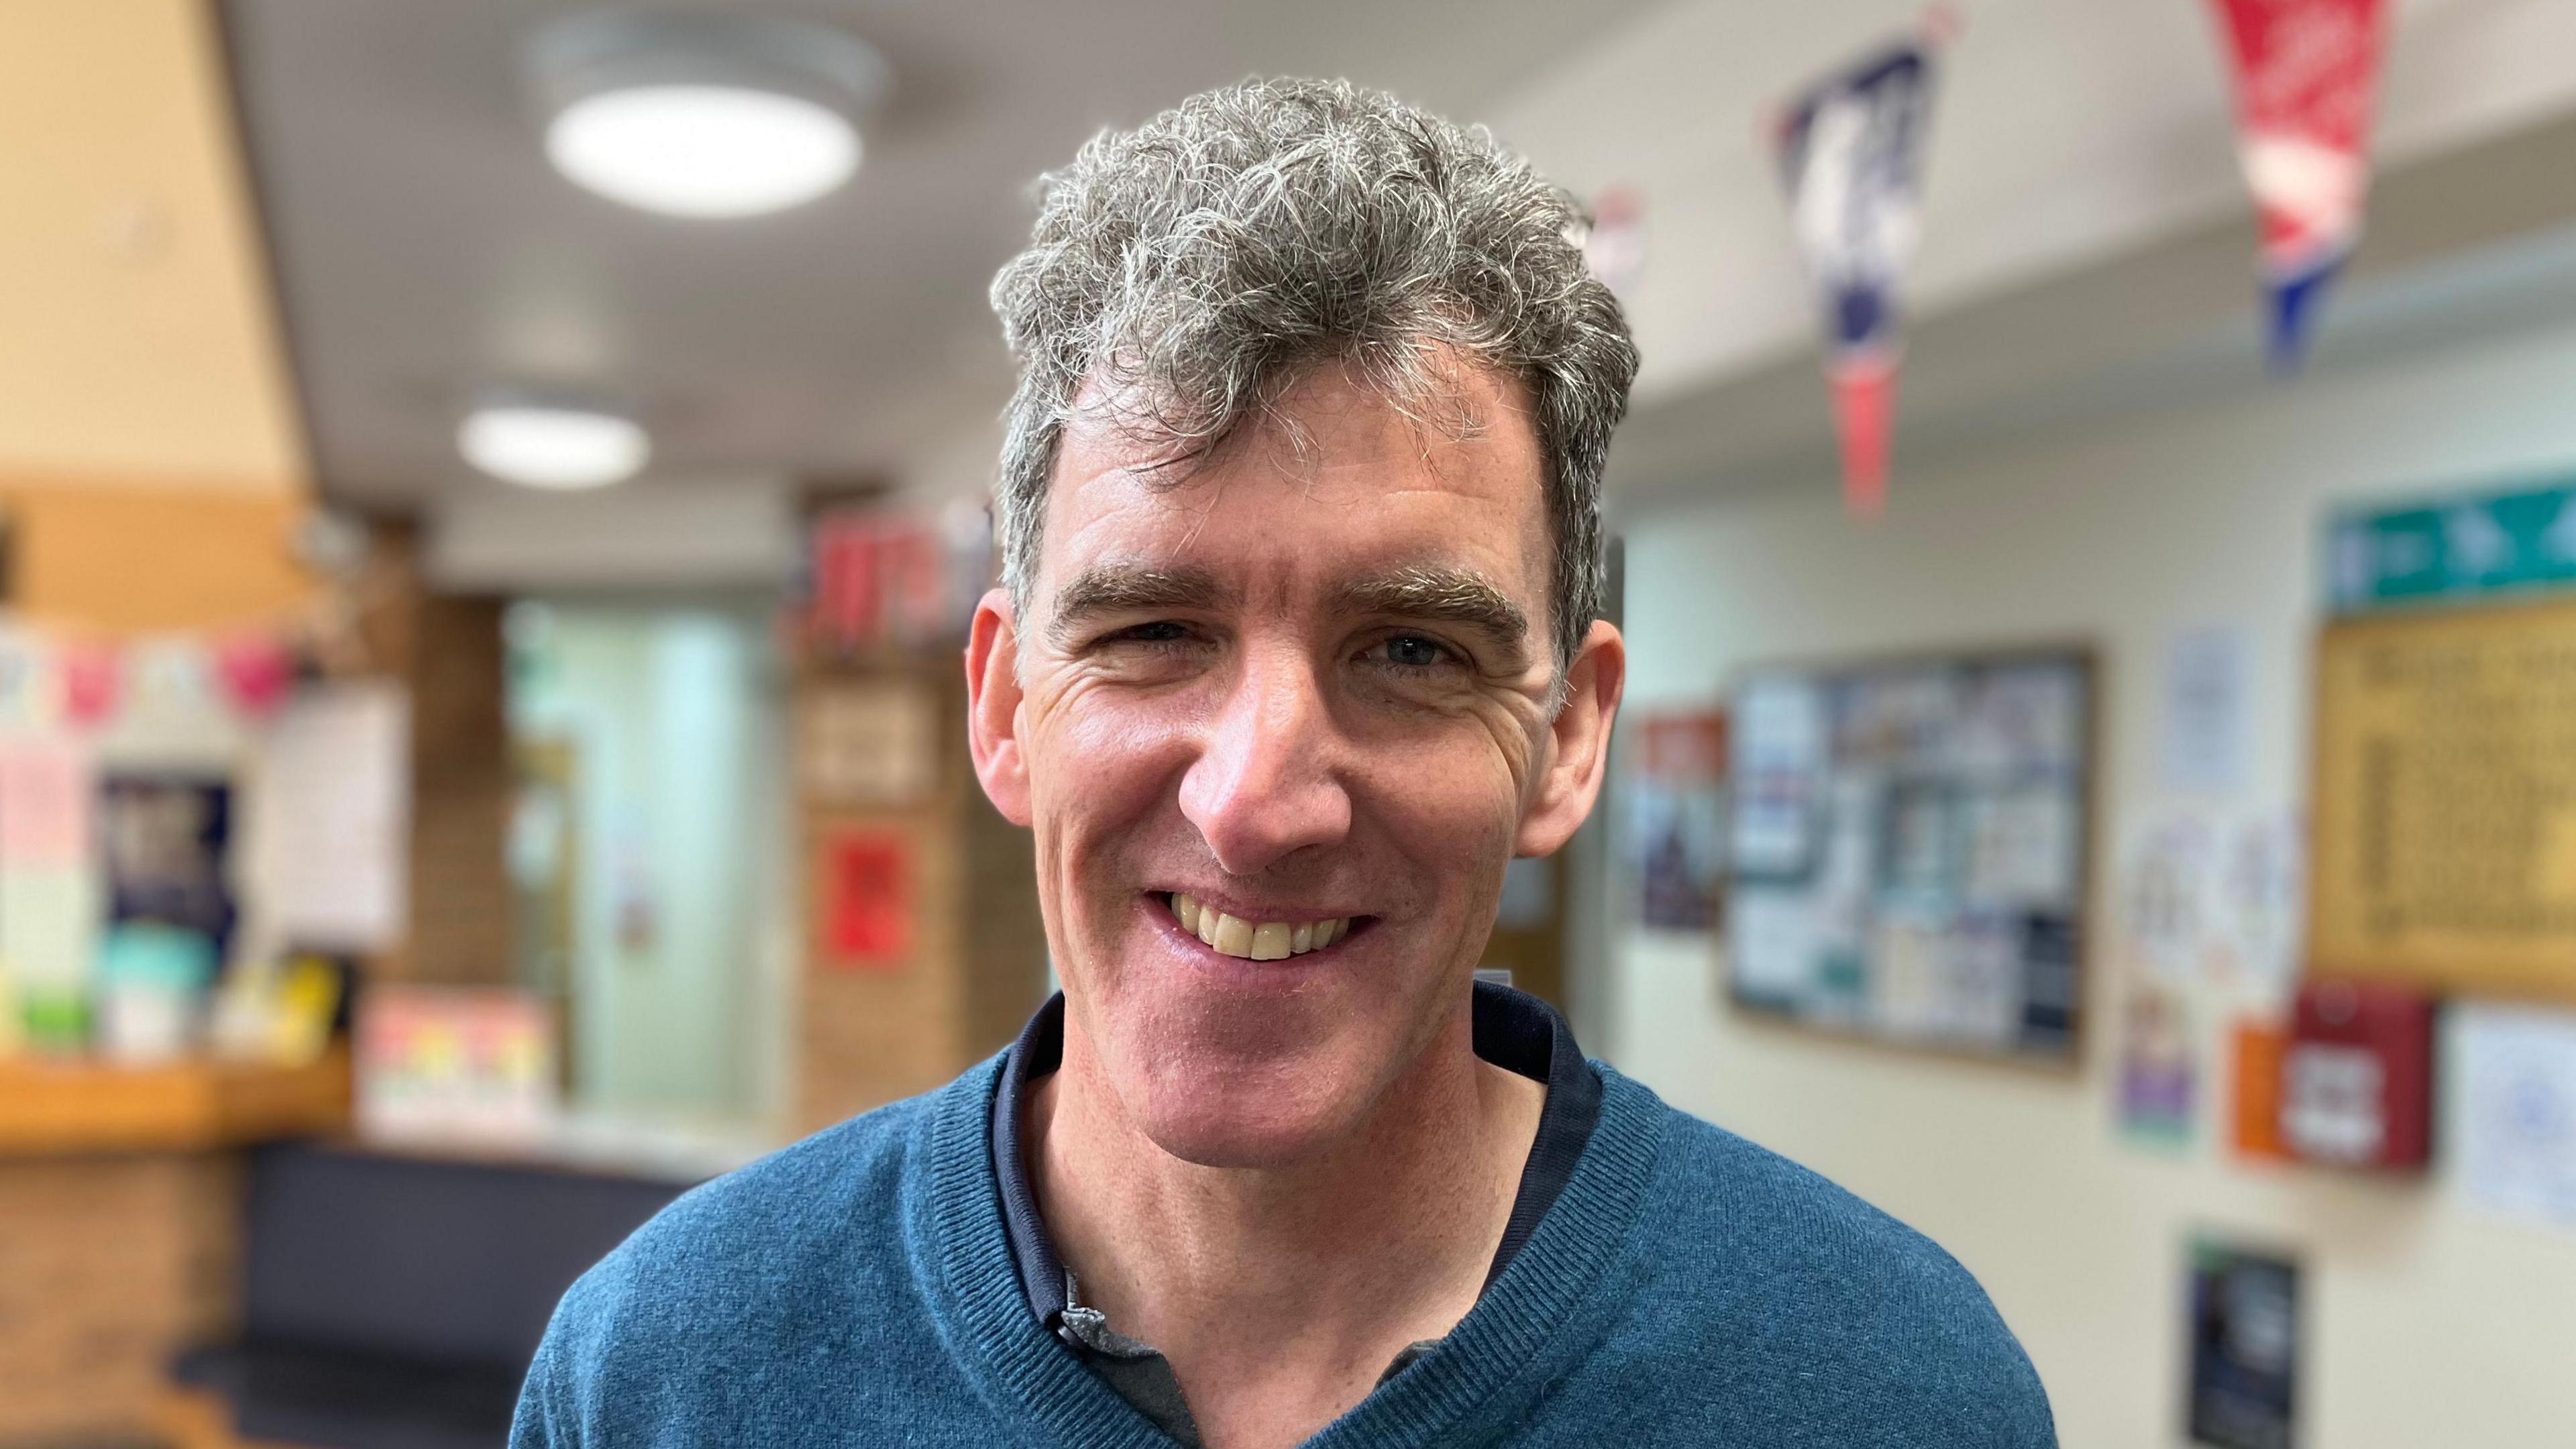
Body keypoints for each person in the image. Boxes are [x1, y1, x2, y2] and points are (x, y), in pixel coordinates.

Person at [511, 78, 2055, 1449]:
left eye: (1409, 652)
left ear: (1571, 737)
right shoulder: (664, 1375)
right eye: (1155, 631)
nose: (1254, 800)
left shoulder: (1891, 1391)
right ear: (1001, 707)